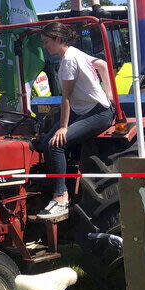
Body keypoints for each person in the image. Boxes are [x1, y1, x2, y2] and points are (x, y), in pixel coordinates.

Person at [36, 22, 116, 220]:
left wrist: (63, 127)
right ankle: (57, 184)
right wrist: (110, 93)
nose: (45, 46)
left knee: (56, 144)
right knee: (45, 141)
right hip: (85, 111)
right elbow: (102, 65)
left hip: (98, 113)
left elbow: (66, 98)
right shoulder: (75, 52)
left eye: (47, 42)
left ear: (58, 39)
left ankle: (61, 197)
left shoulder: (68, 60)